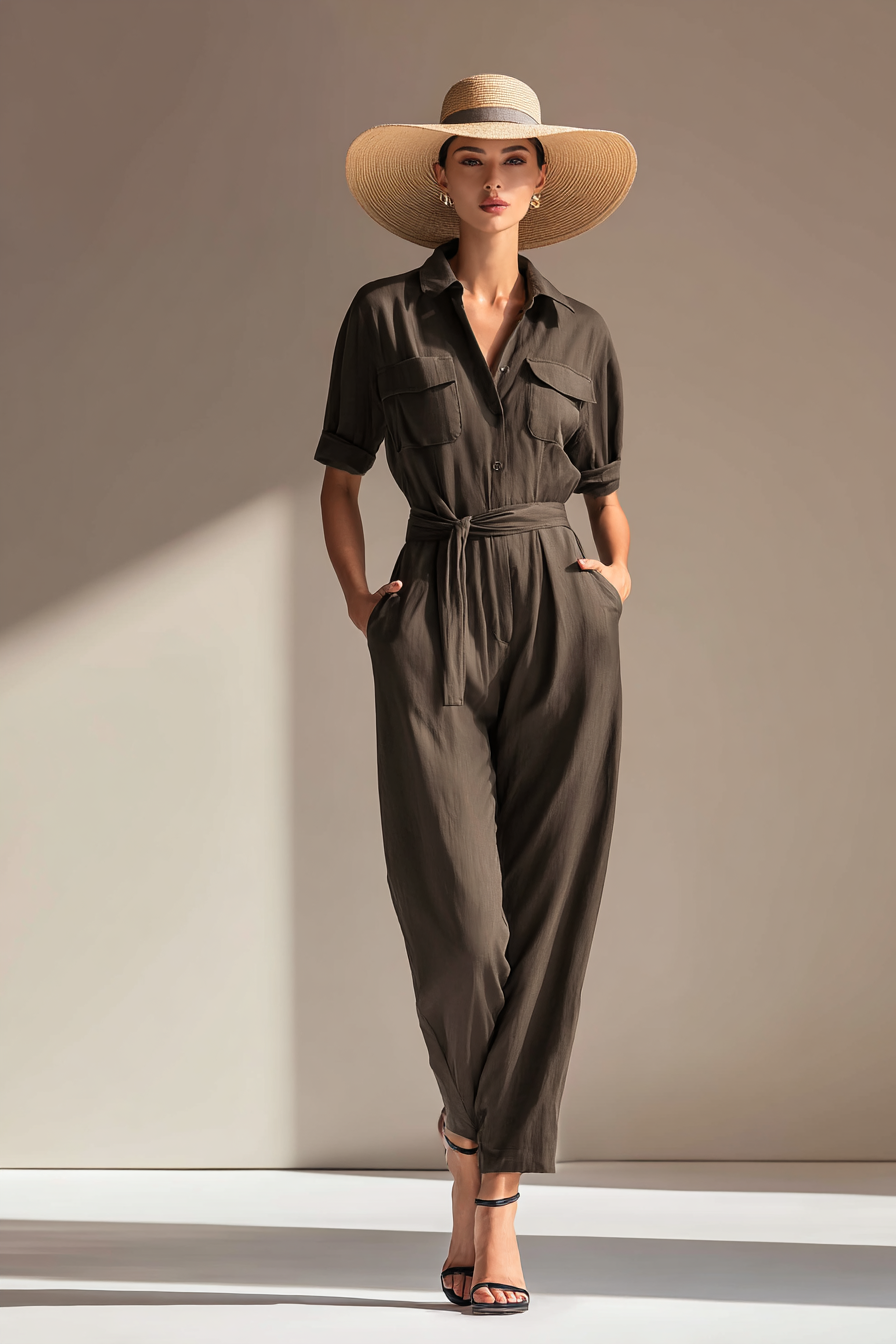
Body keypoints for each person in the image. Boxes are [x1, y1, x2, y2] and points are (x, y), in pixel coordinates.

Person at [314, 73, 637, 1316]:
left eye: (514, 162)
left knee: (550, 918)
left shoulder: (584, 332)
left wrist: (613, 582)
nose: (492, 180)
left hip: (563, 621)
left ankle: (486, 1205)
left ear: (538, 184)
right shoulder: (382, 318)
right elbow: (341, 478)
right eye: (469, 160)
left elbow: (603, 479)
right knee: (460, 926)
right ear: (440, 182)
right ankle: (474, 1144)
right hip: (435, 599)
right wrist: (360, 603)